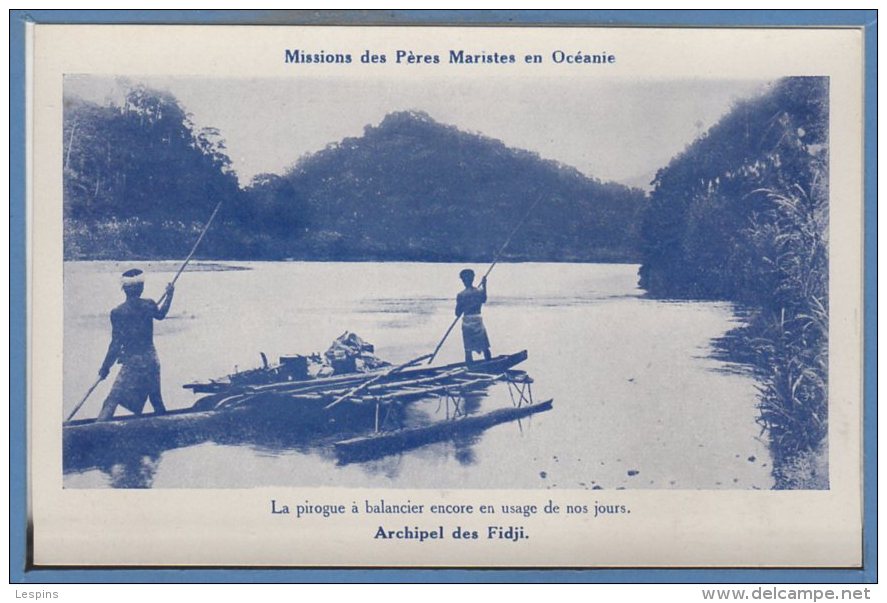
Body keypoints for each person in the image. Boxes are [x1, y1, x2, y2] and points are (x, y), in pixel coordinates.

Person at [96, 268, 174, 421]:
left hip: (133, 363)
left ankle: (98, 428)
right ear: (141, 288)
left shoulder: (118, 312)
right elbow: (161, 315)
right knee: (156, 399)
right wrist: (170, 295)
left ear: (124, 289)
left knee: (111, 400)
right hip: (151, 360)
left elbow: (116, 344)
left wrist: (106, 367)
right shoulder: (149, 304)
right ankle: (166, 427)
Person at [455, 268, 491, 365]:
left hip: (467, 322)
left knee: (468, 348)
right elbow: (484, 300)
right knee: (484, 346)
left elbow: (457, 313)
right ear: (473, 279)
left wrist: (463, 306)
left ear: (463, 280)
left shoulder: (461, 295)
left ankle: (470, 366)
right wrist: (484, 285)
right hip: (477, 319)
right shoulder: (479, 292)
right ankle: (489, 363)